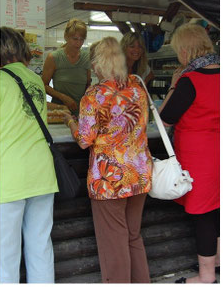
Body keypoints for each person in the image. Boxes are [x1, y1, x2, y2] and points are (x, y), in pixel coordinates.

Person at [63, 37, 152, 283]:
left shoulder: (95, 94)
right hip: (139, 174)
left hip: (109, 179)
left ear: (98, 63)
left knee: (113, 241)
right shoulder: (137, 86)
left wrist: (70, 122)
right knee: (133, 236)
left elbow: (84, 139)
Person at [158, 23, 219, 284]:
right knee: (218, 211)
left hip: (200, 160)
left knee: (204, 216)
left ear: (184, 51)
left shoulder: (189, 80)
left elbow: (165, 119)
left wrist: (173, 85)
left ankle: (206, 277)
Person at [0, 27, 58, 283]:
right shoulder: (34, 79)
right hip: (42, 172)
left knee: (6, 254)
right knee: (40, 247)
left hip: (10, 173)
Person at [42, 18, 91, 115]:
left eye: (81, 39)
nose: (78, 43)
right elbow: (43, 85)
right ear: (66, 37)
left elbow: (87, 84)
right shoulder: (54, 57)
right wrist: (63, 98)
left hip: (81, 112)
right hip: (60, 111)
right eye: (75, 39)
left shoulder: (86, 58)